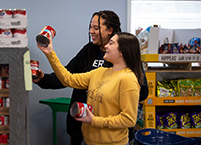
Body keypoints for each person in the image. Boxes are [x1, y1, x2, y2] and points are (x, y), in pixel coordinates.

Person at [33, 10, 148, 145]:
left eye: (96, 28)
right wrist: (47, 64)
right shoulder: (98, 67)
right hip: (84, 133)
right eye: (91, 27)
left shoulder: (128, 77)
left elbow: (130, 115)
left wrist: (113, 95)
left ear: (110, 30)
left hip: (111, 138)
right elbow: (67, 77)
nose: (91, 32)